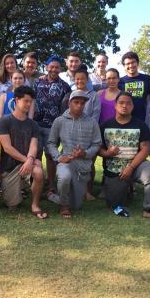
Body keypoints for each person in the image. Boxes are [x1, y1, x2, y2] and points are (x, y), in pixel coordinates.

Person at [99, 92, 150, 222]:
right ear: (115, 105)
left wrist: (131, 167)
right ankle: (128, 189)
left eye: (128, 103)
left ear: (132, 107)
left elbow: (145, 149)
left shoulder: (140, 125)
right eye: (121, 103)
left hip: (136, 166)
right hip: (114, 170)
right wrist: (107, 153)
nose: (124, 106)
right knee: (113, 204)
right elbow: (99, 149)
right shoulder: (105, 125)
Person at [48, 90, 102, 218]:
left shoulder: (92, 122)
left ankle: (53, 196)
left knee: (76, 206)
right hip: (66, 162)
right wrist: (59, 157)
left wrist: (85, 153)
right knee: (65, 177)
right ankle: (64, 206)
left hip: (83, 166)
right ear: (69, 103)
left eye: (82, 103)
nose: (79, 105)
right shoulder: (59, 121)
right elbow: (51, 143)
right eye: (76, 102)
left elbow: (97, 144)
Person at [0, 86, 48, 219]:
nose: (28, 104)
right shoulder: (4, 121)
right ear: (16, 100)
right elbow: (7, 148)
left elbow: (33, 146)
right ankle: (19, 190)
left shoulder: (33, 125)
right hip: (9, 168)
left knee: (38, 171)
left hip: (27, 163)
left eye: (30, 101)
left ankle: (35, 204)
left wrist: (30, 159)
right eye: (25, 101)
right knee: (12, 205)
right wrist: (27, 160)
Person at [33, 55, 71, 203]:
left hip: (53, 126)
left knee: (50, 156)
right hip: (36, 124)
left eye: (57, 67)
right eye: (51, 66)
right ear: (46, 67)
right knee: (36, 154)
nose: (54, 69)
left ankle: (50, 186)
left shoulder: (64, 86)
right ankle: (36, 184)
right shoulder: (37, 82)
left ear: (60, 69)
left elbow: (65, 107)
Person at [118, 51, 150, 121]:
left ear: (137, 63)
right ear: (124, 66)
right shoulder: (120, 82)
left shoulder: (148, 79)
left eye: (133, 62)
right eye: (128, 63)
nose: (130, 65)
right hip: (124, 120)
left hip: (143, 120)